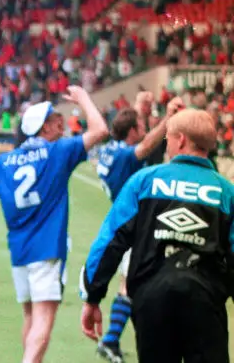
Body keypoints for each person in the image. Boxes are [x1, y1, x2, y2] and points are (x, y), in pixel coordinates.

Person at [0, 87, 109, 363]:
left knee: (30, 317)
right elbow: (100, 130)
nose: (61, 122)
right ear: (43, 128)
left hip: (19, 250)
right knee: (43, 320)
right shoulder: (59, 151)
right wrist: (83, 99)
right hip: (48, 249)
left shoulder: (4, 161)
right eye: (55, 118)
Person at [79, 109, 234, 363]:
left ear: (181, 140)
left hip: (152, 302)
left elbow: (110, 241)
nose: (166, 143)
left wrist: (92, 296)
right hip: (206, 304)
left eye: (168, 138)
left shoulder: (143, 182)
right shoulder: (226, 193)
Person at [91, 97, 184, 362]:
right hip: (138, 224)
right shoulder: (124, 154)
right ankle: (113, 340)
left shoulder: (110, 150)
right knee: (134, 286)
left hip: (125, 222)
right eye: (141, 125)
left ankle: (114, 340)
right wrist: (168, 119)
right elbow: (144, 147)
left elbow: (137, 141)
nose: (144, 128)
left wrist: (141, 110)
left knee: (130, 283)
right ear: (131, 131)